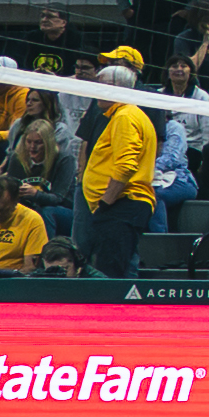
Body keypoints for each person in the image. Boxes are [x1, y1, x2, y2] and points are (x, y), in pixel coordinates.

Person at [75, 51, 164, 277]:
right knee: (113, 268)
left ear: (118, 89)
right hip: (121, 205)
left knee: (112, 273)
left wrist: (105, 203)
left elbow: (126, 166)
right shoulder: (122, 114)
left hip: (121, 205)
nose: (96, 92)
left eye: (101, 86)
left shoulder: (125, 116)